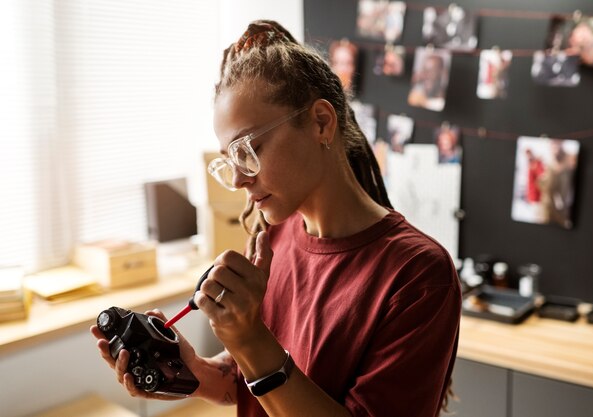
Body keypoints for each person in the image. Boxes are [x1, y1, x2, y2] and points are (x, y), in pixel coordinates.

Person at [91, 20, 461, 417]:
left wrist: (249, 339)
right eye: (229, 159)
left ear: (321, 122)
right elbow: (258, 386)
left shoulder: (419, 275)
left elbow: (266, 361)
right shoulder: (274, 238)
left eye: (248, 148)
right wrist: (196, 371)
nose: (236, 178)